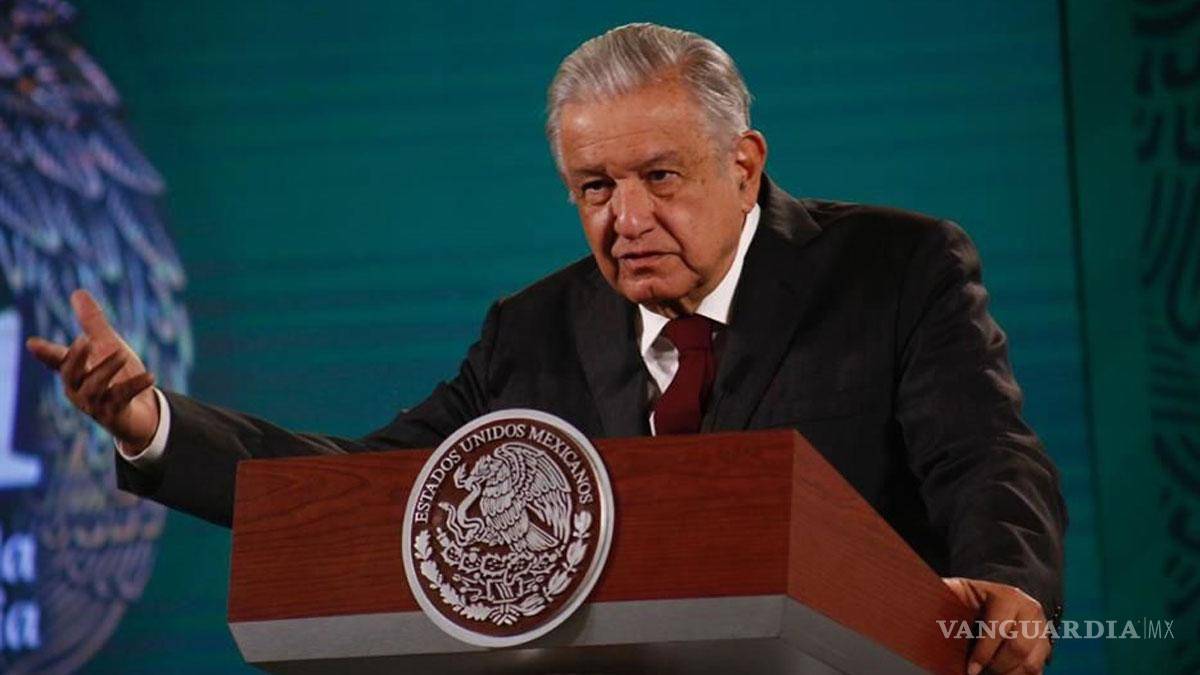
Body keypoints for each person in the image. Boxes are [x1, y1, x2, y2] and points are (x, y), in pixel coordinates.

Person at [27, 22, 1065, 675]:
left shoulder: (895, 267)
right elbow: (369, 488)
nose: (626, 219)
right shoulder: (534, 331)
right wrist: (151, 424)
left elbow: (986, 456)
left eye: (660, 177)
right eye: (594, 188)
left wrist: (1002, 579)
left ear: (745, 166)